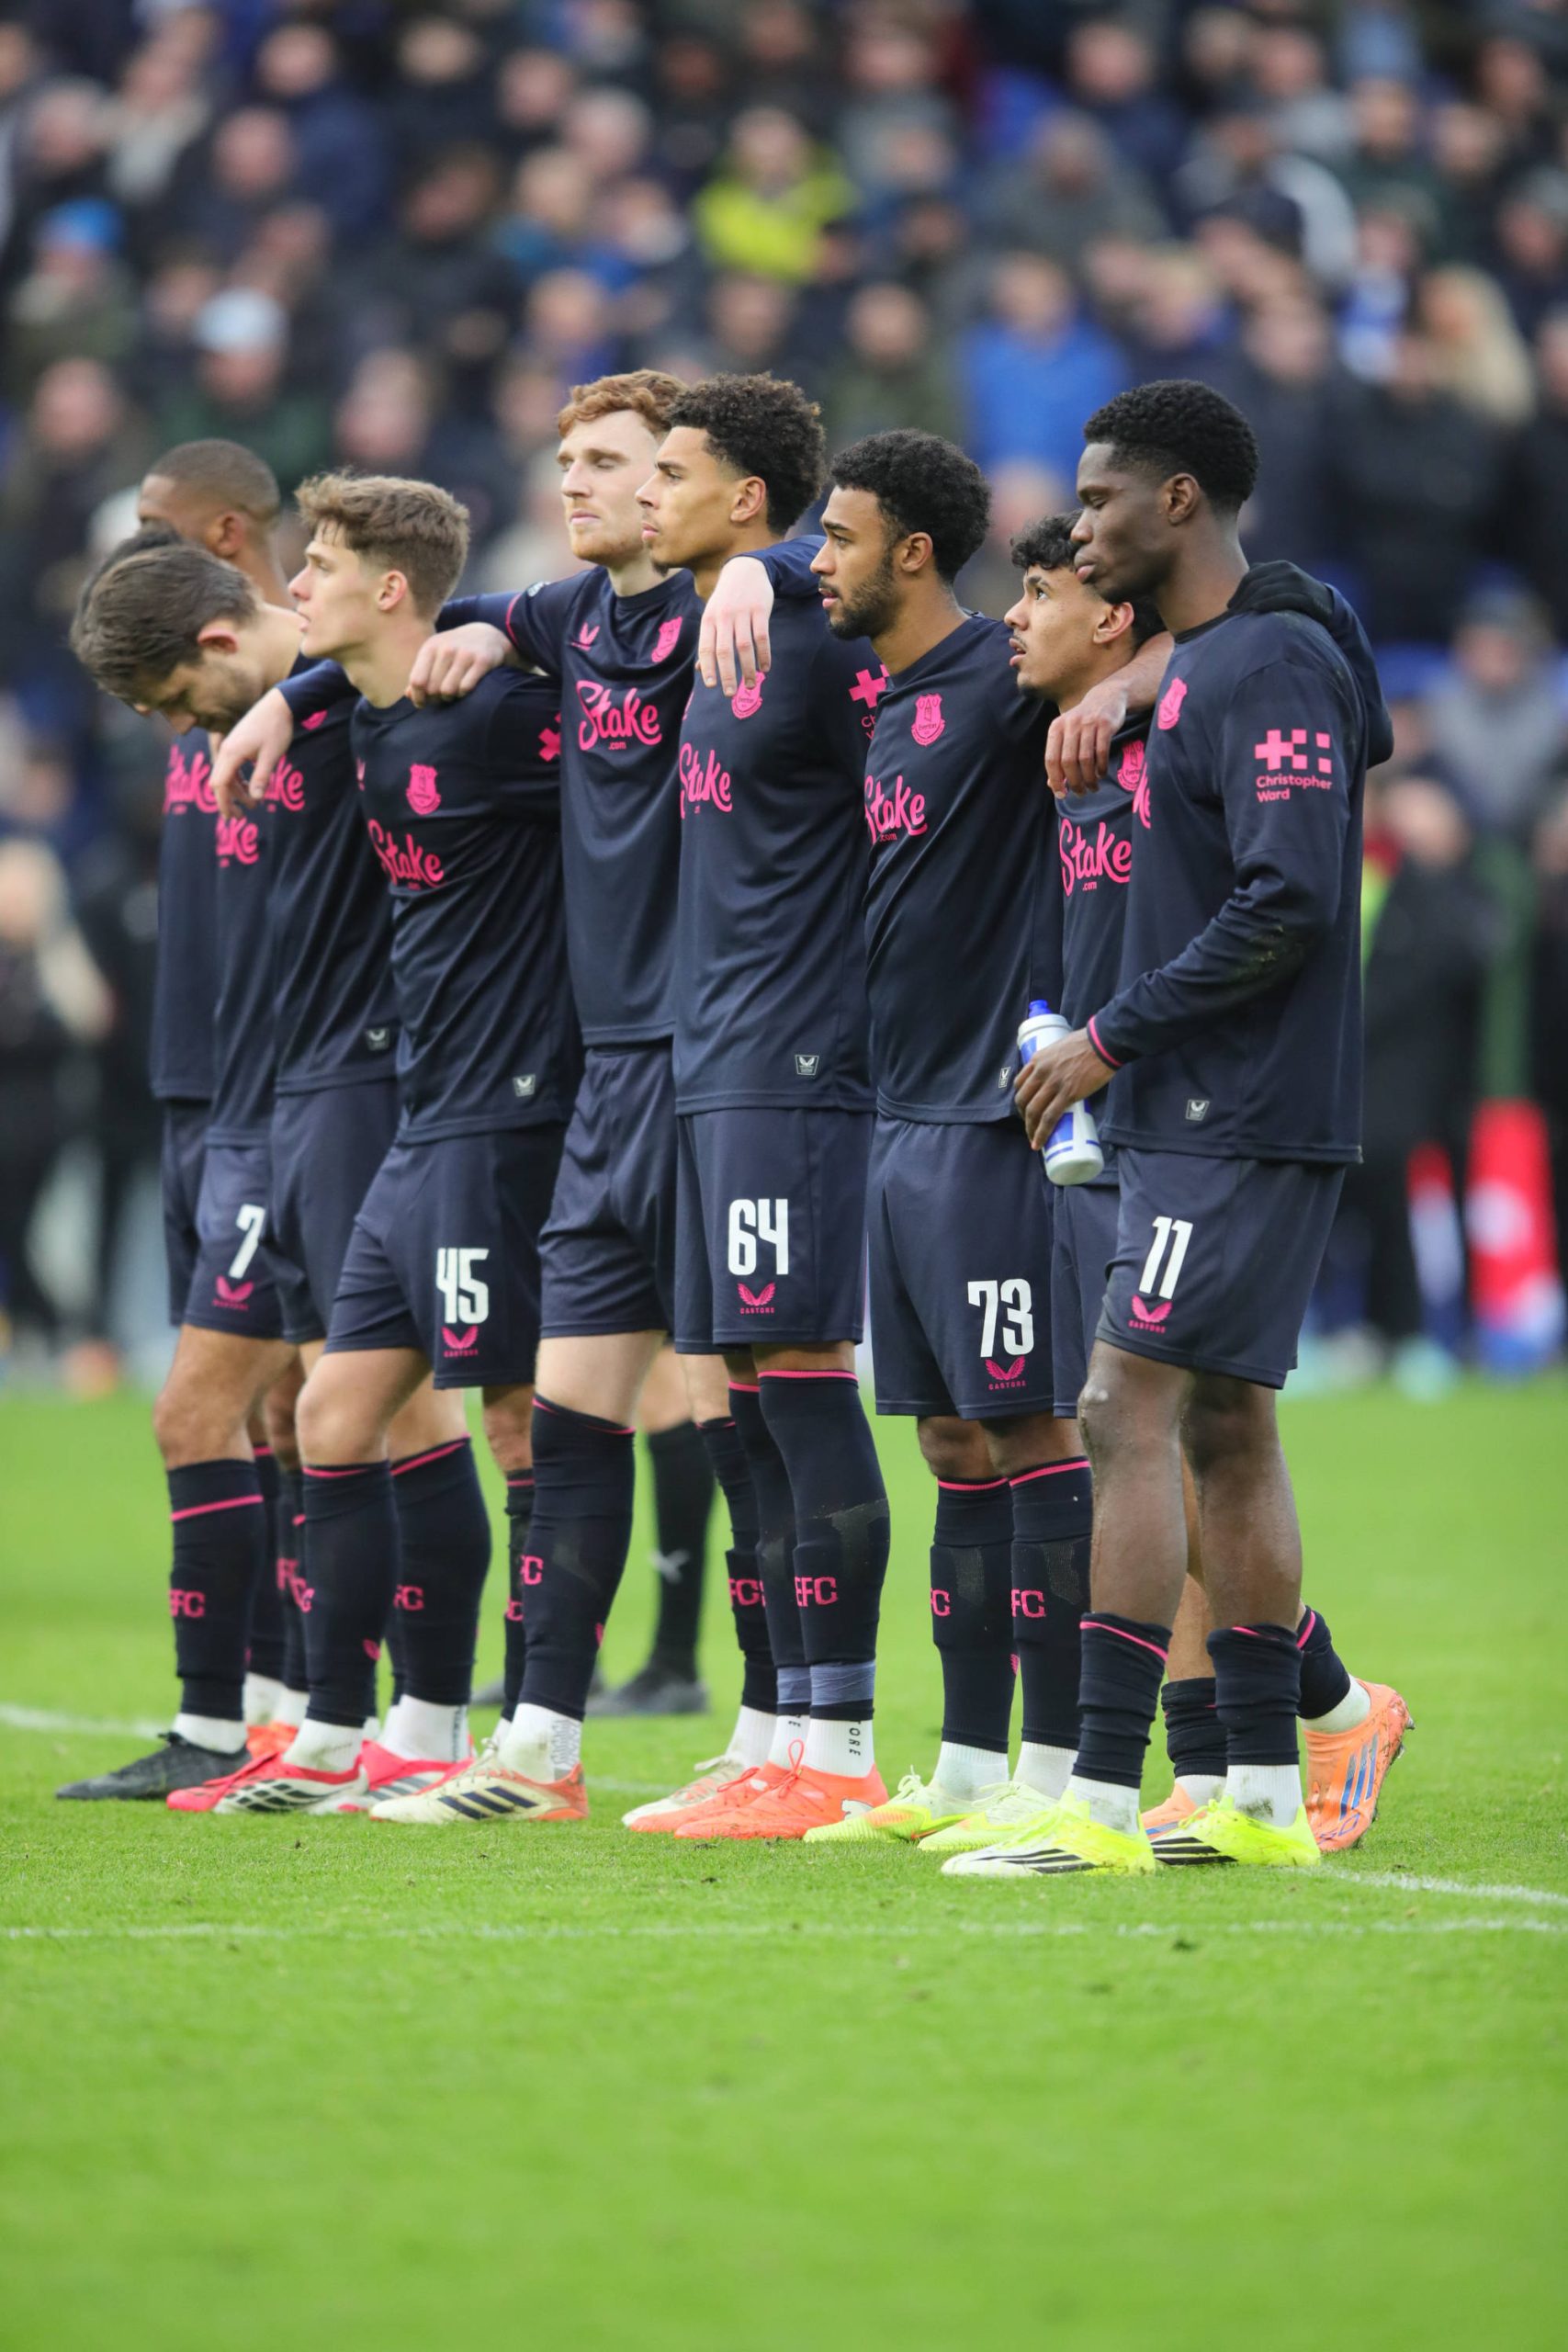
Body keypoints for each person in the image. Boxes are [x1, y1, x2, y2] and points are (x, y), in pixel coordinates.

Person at [980, 379, 1394, 1876]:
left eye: (1098, 500)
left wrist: (1109, 1038)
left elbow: (1289, 897)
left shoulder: (1271, 657)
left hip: (1243, 1101)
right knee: (1221, 1425)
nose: (1077, 524)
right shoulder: (1218, 659)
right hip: (1201, 1102)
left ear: (1177, 503)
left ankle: (1099, 1799)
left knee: (1122, 1410)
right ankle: (1266, 1796)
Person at [791, 432, 1166, 1858]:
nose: (814, 561)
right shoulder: (893, 696)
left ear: (906, 549)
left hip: (994, 1114)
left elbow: (1226, 631)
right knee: (951, 1439)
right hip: (903, 1114)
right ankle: (960, 1766)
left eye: (837, 538)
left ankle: (1064, 1763)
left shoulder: (1013, 691)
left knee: (1031, 1429)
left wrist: (1125, 677)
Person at [195, 472, 575, 1815]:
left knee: (521, 1418)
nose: (296, 590)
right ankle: (339, 1737)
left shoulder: (499, 713)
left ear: (393, 587)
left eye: (322, 567)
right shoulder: (361, 721)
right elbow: (334, 684)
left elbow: (627, 771)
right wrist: (291, 696)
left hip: (512, 1107)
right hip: (423, 1114)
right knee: (332, 1414)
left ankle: (535, 1749)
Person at [637, 373, 893, 1842]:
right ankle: (780, 1730)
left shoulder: (810, 619)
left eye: (674, 474)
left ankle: (842, 1747)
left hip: (800, 1057)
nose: (647, 495)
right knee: (734, 1400)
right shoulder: (716, 620)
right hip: (709, 1053)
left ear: (749, 498)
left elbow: (943, 659)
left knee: (799, 1376)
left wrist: (777, 563)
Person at [58, 440, 300, 1801]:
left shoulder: (312, 682)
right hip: (194, 1087)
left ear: (220, 532)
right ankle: (277, 1713)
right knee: (269, 1417)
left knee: (262, 1407)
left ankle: (285, 1718)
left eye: (149, 528)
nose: (127, 547)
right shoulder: (193, 688)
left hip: (280, 1099)